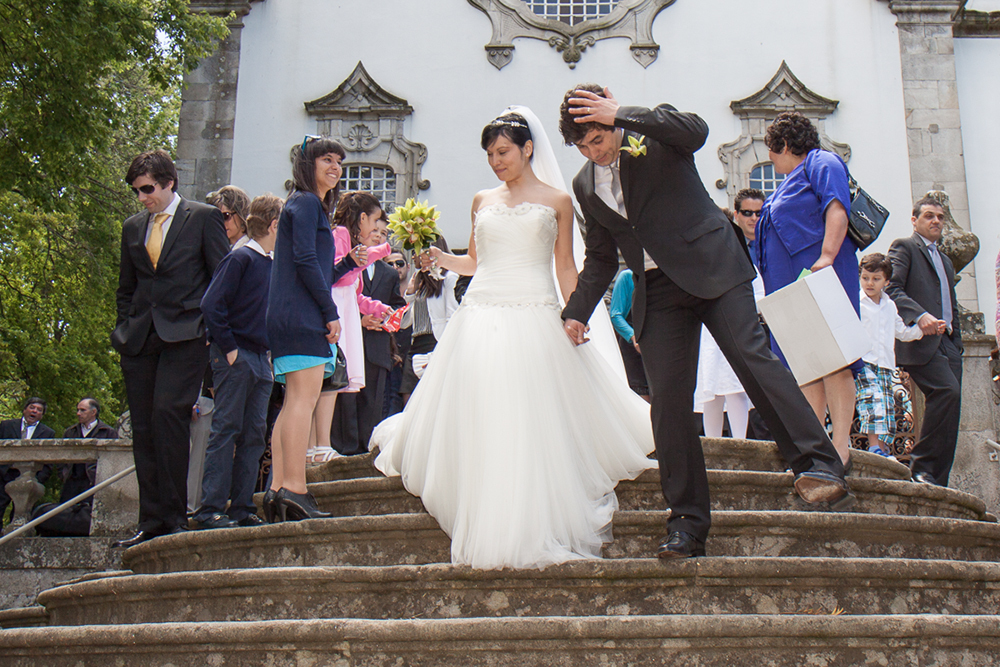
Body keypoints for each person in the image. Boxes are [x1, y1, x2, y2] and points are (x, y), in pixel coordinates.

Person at [558, 85, 852, 561]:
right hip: (657, 293)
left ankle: (819, 463)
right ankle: (686, 527)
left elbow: (696, 130)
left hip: (713, 268)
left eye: (601, 137)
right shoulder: (584, 187)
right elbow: (599, 257)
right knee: (669, 406)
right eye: (586, 145)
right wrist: (576, 310)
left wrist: (624, 114)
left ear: (612, 121)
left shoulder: (654, 133)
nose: (598, 150)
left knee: (752, 357)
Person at [372, 108, 655, 570]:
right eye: (489, 154)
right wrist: (441, 257)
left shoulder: (559, 200)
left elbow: (566, 265)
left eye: (502, 151)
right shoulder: (482, 200)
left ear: (526, 149)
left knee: (529, 407)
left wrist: (576, 313)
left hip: (535, 308)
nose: (495, 161)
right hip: (481, 310)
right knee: (483, 403)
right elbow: (477, 262)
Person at [111, 150, 230, 548]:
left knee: (169, 417)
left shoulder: (203, 218)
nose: (142, 197)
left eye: (147, 189)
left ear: (168, 182)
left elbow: (221, 279)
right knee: (143, 428)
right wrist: (123, 328)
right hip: (140, 339)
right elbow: (126, 289)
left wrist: (212, 331)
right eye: (137, 191)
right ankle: (152, 520)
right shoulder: (132, 227)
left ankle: (176, 516)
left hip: (186, 335)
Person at [756, 111, 860, 468]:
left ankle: (841, 443)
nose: (770, 158)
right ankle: (814, 444)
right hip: (790, 287)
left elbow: (836, 206)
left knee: (833, 360)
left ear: (784, 144)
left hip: (818, 274)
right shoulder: (786, 181)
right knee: (806, 366)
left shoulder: (822, 161)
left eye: (772, 150)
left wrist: (827, 256)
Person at [264, 136, 359, 522]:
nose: (334, 167)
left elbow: (314, 267)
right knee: (302, 401)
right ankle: (295, 489)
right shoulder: (305, 203)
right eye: (326, 159)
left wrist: (347, 263)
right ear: (308, 164)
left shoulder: (306, 206)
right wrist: (328, 311)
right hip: (302, 315)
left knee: (291, 404)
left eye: (338, 161)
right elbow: (304, 260)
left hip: (290, 313)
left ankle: (276, 490)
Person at [193, 194, 282, 529]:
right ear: (274, 225)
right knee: (226, 429)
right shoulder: (241, 258)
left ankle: (241, 507)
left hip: (261, 358)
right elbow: (212, 303)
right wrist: (229, 348)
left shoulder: (271, 264)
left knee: (254, 435)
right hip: (236, 355)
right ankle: (209, 509)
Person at [885, 197, 963, 486]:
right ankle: (921, 467)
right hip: (921, 340)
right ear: (914, 219)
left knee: (951, 408)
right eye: (929, 216)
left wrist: (957, 340)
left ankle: (938, 479)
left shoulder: (944, 259)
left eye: (940, 217)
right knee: (947, 391)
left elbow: (951, 302)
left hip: (948, 343)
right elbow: (891, 287)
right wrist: (920, 316)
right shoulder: (905, 247)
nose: (936, 221)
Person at [311, 192, 393, 461]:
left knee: (333, 382)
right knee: (327, 381)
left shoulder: (347, 237)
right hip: (334, 308)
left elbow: (353, 291)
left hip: (345, 307)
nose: (375, 229)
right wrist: (380, 252)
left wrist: (376, 307)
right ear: (362, 218)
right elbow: (337, 274)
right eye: (375, 220)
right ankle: (319, 444)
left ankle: (317, 445)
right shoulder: (341, 235)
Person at [331, 214, 405, 456]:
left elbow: (398, 307)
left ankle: (366, 451)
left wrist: (384, 319)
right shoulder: (349, 261)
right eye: (375, 230)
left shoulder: (390, 272)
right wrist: (362, 320)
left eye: (383, 233)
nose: (378, 235)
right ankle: (344, 449)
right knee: (345, 401)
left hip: (377, 345)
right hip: (353, 340)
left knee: (373, 403)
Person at [856, 253, 926, 460]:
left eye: (876, 279)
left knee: (887, 404)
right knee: (872, 400)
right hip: (864, 360)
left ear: (886, 281)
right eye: (865, 277)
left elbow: (901, 331)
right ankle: (873, 446)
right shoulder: (856, 302)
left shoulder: (890, 305)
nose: (870, 283)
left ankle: (883, 450)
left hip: (885, 363)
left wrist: (922, 329)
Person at [30, 399, 118, 537]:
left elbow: (113, 460)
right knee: (65, 514)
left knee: (89, 519)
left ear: (93, 412)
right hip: (71, 482)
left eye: (82, 410)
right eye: (78, 410)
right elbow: (61, 456)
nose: (78, 413)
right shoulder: (70, 432)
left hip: (93, 482)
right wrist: (63, 474)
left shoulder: (108, 432)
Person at [398, 236, 461, 400]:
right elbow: (404, 323)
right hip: (416, 346)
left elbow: (453, 318)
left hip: (435, 344)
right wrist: (410, 293)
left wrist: (440, 353)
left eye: (416, 252)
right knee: (408, 399)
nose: (413, 257)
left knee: (432, 400)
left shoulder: (449, 278)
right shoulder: (418, 280)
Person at [0, 398, 56, 523]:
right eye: (32, 407)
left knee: (21, 514)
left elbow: (48, 460)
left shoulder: (48, 433)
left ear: (42, 415)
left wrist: (39, 479)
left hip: (29, 476)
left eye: (39, 410)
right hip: (3, 474)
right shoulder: (6, 425)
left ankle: (17, 540)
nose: (34, 411)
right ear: (25, 409)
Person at [608, 269, 649, 400]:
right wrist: (633, 336)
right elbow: (615, 314)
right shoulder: (626, 277)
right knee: (641, 394)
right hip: (633, 346)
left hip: (655, 343)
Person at [383, 248, 412, 417]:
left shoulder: (418, 290)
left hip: (412, 354)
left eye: (399, 263)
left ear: (408, 266)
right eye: (390, 264)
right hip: (390, 355)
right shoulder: (382, 293)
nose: (395, 267)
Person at [207, 185, 252, 251]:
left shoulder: (250, 251)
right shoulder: (216, 249)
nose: (221, 222)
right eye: (217, 217)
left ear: (241, 215)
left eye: (226, 215)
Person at [733, 188, 765, 267]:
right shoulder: (727, 246)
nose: (754, 218)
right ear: (736, 215)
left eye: (759, 213)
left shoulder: (775, 247)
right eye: (747, 213)